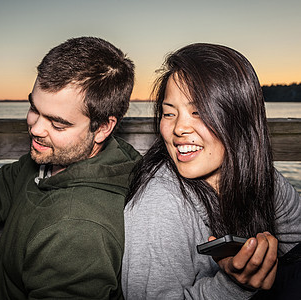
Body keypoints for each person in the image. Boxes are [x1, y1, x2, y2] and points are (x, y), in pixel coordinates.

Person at [0, 36, 140, 299]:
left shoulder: (80, 230)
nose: (36, 129)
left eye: (58, 124)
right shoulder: (51, 160)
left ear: (103, 127)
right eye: (34, 108)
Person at [121, 43, 301, 299]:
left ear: (239, 116)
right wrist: (235, 285)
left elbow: (296, 243)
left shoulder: (262, 176)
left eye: (199, 112)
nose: (179, 128)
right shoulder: (159, 205)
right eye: (168, 113)